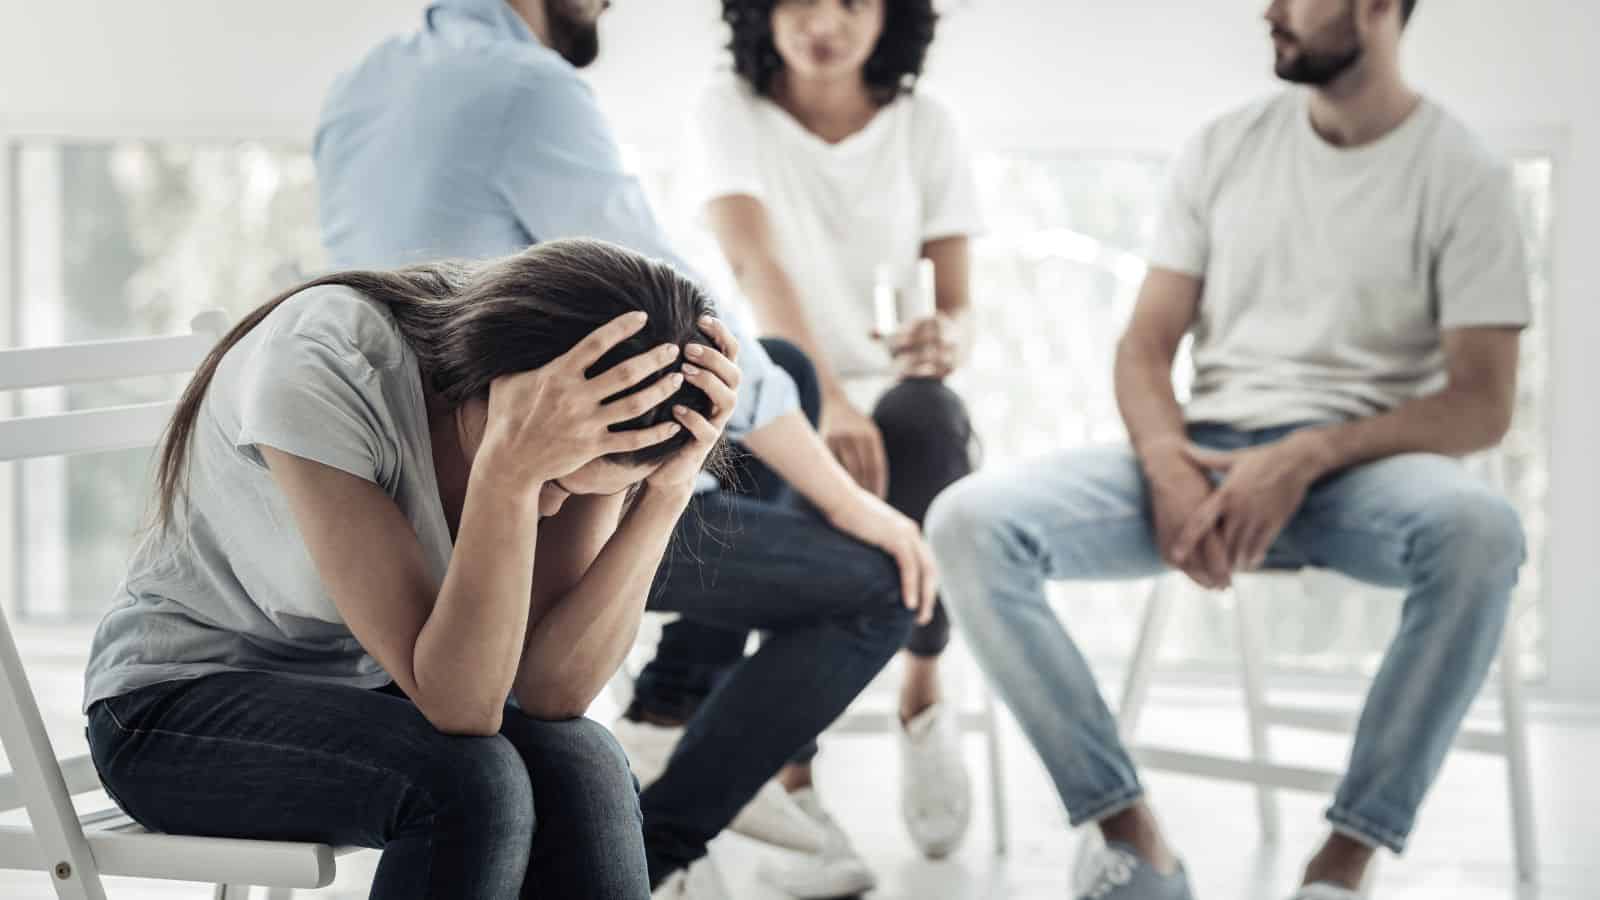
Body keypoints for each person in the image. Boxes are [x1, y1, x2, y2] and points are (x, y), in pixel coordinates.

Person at [314, 1, 940, 896]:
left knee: (785, 374)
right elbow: (694, 322)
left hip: (388, 480)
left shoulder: (363, 83)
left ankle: (670, 702)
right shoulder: (531, 89)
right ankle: (652, 848)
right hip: (500, 513)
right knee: (879, 587)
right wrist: (855, 504)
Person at [926, 1, 1530, 898]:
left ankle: (1343, 861)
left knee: (1482, 532)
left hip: (1362, 477)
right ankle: (1132, 837)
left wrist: (1310, 453)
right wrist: (1167, 460)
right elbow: (1143, 345)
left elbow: (1482, 404)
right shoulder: (1225, 147)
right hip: (1204, 461)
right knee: (969, 522)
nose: (1272, 11)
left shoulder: (1465, 175)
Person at [82, 239, 744, 899]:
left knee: (585, 763)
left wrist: (665, 493)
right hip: (172, 709)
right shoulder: (329, 359)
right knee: (468, 782)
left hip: (365, 691)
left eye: (576, 490)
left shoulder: (588, 414)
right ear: (508, 387)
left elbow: (552, 692)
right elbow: (462, 706)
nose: (550, 507)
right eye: (554, 481)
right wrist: (509, 475)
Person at [622, 0, 983, 891]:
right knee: (788, 396)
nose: (824, 19)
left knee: (930, 418)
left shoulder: (925, 126)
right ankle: (791, 774)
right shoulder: (728, 108)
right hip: (768, 392)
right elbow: (751, 267)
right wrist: (820, 410)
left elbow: (959, 301)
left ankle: (924, 689)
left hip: (886, 386)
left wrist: (947, 338)